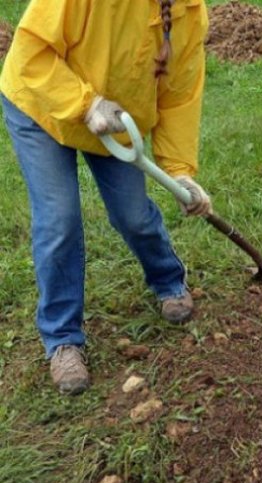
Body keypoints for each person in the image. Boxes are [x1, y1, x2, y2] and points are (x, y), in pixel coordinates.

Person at [1, 0, 211, 395]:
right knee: (59, 219)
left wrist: (180, 169)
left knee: (132, 213)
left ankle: (168, 280)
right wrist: (87, 104)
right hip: (41, 107)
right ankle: (63, 339)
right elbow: (31, 51)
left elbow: (179, 94)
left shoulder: (188, 10)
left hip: (114, 119)